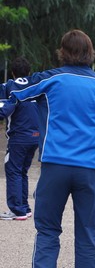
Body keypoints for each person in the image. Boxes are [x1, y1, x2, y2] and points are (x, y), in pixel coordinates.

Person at [9, 29, 95, 268]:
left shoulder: (51, 79)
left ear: (62, 51)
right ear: (90, 52)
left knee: (47, 231)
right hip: (90, 171)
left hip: (55, 167)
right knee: (87, 234)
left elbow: (18, 93)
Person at [0, 57, 39, 220]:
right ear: (28, 72)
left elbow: (3, 110)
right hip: (36, 136)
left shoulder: (9, 86)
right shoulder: (36, 85)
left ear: (13, 72)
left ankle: (17, 210)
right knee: (22, 171)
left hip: (19, 136)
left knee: (13, 169)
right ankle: (25, 207)